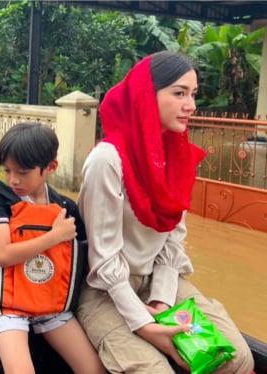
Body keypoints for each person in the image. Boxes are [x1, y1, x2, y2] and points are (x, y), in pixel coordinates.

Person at [76, 51, 254, 373]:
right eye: (179, 93)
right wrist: (147, 326)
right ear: (146, 96)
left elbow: (173, 240)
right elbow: (104, 260)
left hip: (158, 278)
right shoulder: (108, 160)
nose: (192, 105)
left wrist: (161, 302)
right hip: (106, 289)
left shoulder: (177, 157)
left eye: (193, 94)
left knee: (236, 360)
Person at [0, 122, 105, 374]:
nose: (13, 180)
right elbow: (3, 255)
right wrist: (54, 236)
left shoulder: (65, 207)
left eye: (22, 172)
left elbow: (90, 259)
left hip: (51, 307)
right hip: (7, 308)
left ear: (50, 167)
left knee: (95, 370)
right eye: (7, 171)